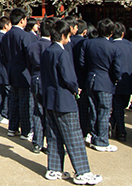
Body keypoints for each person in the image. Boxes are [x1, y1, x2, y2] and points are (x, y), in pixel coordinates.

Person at [41, 19, 102, 185]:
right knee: (74, 135)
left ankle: (54, 169)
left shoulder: (47, 51)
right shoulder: (62, 53)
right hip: (64, 99)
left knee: (54, 135)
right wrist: (76, 89)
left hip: (51, 98)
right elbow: (69, 78)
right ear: (62, 36)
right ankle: (82, 172)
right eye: (67, 35)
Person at [80, 18, 121, 152]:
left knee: (93, 110)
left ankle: (94, 136)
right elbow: (116, 68)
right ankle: (102, 140)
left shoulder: (88, 44)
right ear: (111, 32)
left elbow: (82, 63)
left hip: (91, 78)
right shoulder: (113, 47)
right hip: (105, 80)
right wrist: (115, 79)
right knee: (104, 111)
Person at [0, 8, 34, 141]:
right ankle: (26, 130)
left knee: (13, 100)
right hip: (24, 72)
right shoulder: (25, 36)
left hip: (11, 70)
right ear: (22, 20)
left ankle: (12, 127)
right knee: (25, 103)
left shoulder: (5, 36)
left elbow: (3, 54)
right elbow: (30, 55)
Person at [28, 17, 54, 154]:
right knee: (49, 113)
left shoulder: (33, 45)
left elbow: (28, 63)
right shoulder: (52, 47)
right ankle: (51, 143)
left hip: (35, 77)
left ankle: (37, 142)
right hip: (48, 80)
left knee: (37, 111)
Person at [110, 22, 132, 142]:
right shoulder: (131, 46)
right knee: (121, 106)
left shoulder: (110, 45)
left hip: (115, 81)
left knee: (118, 106)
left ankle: (118, 128)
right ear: (123, 34)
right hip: (128, 80)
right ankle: (119, 128)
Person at [0, 16, 12, 124]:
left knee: (2, 91)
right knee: (7, 92)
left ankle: (1, 112)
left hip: (0, 68)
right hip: (4, 68)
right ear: (6, 25)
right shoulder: (3, 37)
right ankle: (4, 113)